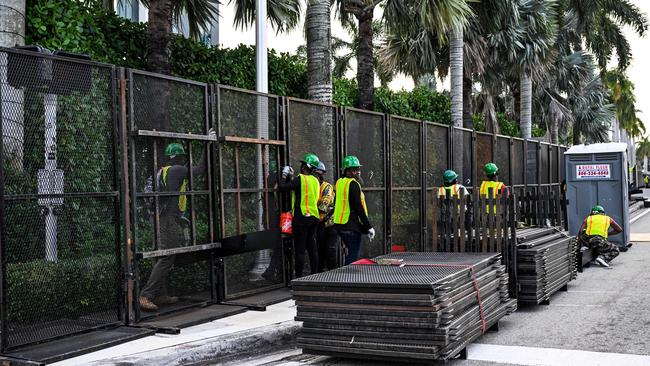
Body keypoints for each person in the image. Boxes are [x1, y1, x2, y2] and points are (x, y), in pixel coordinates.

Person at [140, 130, 215, 311]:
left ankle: (160, 294)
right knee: (168, 255)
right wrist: (208, 144)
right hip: (166, 219)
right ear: (181, 157)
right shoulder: (178, 170)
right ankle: (146, 295)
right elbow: (199, 170)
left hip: (158, 218)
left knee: (161, 255)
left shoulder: (163, 170)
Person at [279, 153, 322, 278]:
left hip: (301, 217)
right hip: (314, 217)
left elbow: (283, 187)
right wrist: (293, 177)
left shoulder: (300, 179)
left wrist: (284, 175)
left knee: (300, 250)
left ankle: (298, 278)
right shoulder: (315, 180)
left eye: (302, 164)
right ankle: (315, 276)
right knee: (312, 248)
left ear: (304, 167)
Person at [333, 156, 375, 265]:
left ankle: (347, 277)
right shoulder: (353, 184)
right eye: (354, 169)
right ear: (347, 171)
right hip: (351, 226)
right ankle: (348, 279)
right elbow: (359, 208)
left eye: (358, 169)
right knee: (354, 255)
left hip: (339, 224)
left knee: (351, 253)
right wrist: (368, 226)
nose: (358, 172)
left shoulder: (339, 182)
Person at [313, 161, 340, 271]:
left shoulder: (326, 187)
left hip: (330, 224)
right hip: (319, 224)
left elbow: (324, 205)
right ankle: (320, 273)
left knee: (330, 249)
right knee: (320, 250)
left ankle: (333, 273)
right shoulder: (312, 187)